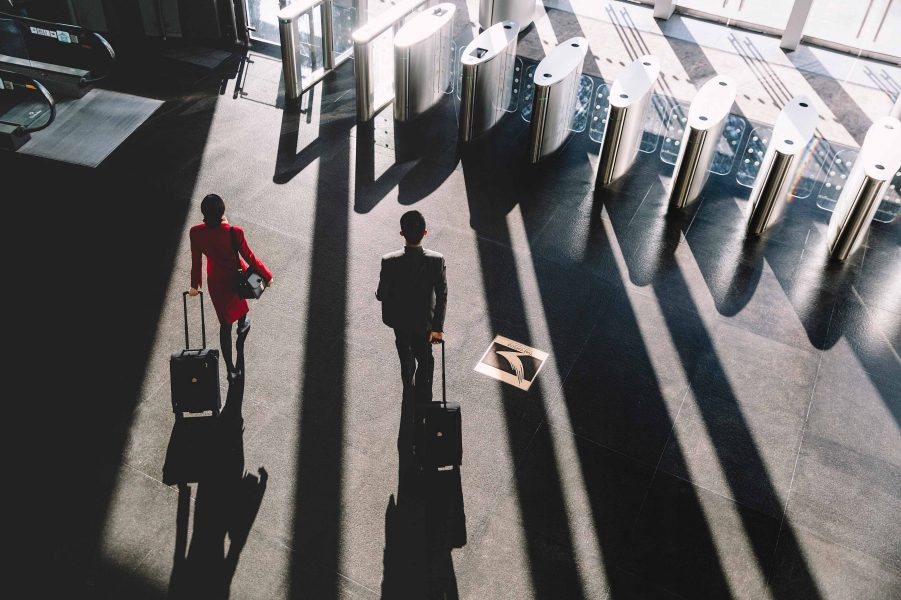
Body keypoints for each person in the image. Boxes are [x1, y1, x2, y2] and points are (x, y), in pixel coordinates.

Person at [189, 194, 273, 381]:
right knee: (241, 297)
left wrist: (194, 285)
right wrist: (267, 276)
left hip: (217, 284)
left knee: (225, 325)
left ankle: (230, 369)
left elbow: (196, 262)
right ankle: (242, 325)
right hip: (236, 277)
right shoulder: (235, 232)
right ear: (222, 212)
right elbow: (250, 257)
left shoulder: (196, 233)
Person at [377, 210, 448, 409]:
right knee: (425, 358)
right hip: (425, 323)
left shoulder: (389, 260)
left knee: (404, 352)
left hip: (399, 321)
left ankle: (408, 383)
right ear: (425, 232)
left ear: (402, 233)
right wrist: (437, 328)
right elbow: (442, 295)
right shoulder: (436, 261)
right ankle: (424, 393)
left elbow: (382, 294)